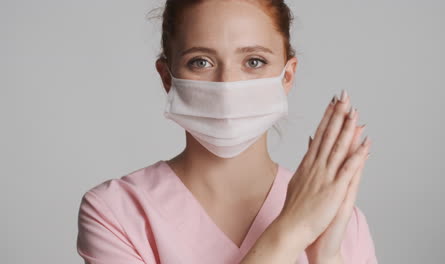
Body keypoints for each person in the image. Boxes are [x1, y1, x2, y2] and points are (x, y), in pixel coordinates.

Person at [76, 0, 377, 263]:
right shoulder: (118, 212)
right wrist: (293, 230)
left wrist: (327, 257)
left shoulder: (341, 220)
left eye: (254, 61)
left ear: (287, 76)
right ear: (167, 77)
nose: (227, 85)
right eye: (201, 62)